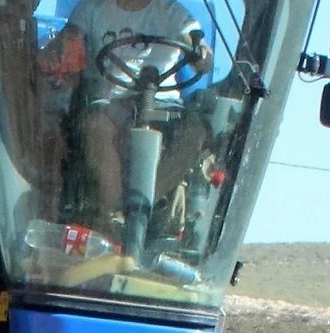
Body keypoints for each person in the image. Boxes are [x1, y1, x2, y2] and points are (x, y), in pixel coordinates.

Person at [41, 0, 215, 231]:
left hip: (164, 103)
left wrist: (201, 55)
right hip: (111, 102)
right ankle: (114, 211)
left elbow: (199, 49)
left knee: (195, 132)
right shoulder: (91, 9)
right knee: (94, 127)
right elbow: (68, 41)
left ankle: (141, 206)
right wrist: (57, 52)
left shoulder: (172, 13)